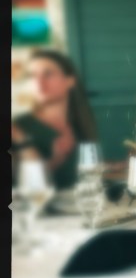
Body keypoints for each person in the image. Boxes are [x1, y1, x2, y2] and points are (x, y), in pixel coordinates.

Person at [11, 49, 98, 190]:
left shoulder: (82, 122)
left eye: (48, 74)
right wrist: (56, 160)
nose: (39, 82)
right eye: (32, 76)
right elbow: (21, 188)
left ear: (70, 81)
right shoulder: (18, 128)